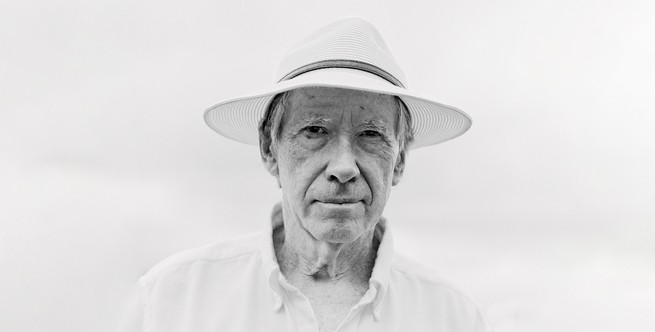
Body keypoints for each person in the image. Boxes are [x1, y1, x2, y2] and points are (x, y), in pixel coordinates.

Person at [120, 17, 492, 332]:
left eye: (371, 134)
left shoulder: (453, 317)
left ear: (399, 161)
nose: (344, 167)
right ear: (269, 149)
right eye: (315, 131)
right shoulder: (170, 302)